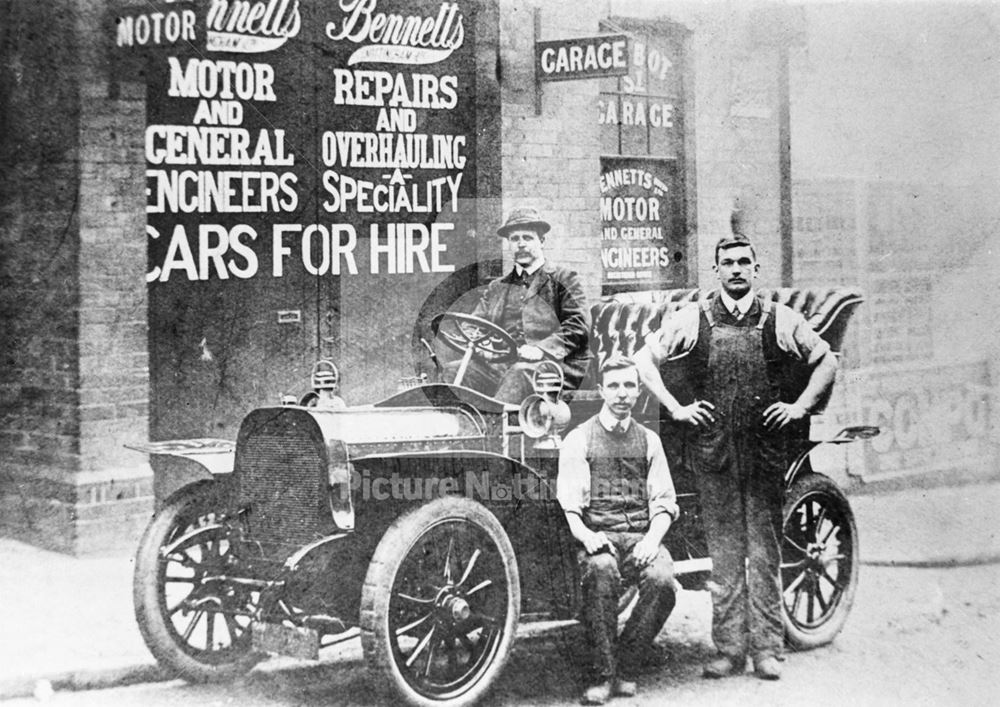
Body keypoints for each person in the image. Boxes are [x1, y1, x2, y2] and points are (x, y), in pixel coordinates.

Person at [632, 234, 839, 681]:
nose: (737, 269)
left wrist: (799, 407)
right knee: (724, 556)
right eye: (728, 262)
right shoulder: (694, 319)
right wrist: (675, 406)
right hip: (714, 454)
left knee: (764, 553)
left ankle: (767, 650)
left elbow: (827, 362)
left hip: (764, 454)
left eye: (745, 261)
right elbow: (643, 361)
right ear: (717, 269)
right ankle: (728, 650)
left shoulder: (781, 320)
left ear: (756, 269)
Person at [557, 355, 678, 705]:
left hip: (641, 535)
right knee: (600, 572)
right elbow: (571, 507)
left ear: (639, 391)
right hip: (600, 536)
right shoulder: (579, 439)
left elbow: (664, 502)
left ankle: (626, 665)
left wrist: (653, 540)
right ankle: (602, 675)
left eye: (629, 385)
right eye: (614, 386)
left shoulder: (650, 441)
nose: (622, 393)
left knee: (662, 580)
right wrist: (588, 536)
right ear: (601, 391)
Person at [458, 207, 590, 403]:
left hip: (553, 366)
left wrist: (542, 349)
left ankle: (498, 431)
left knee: (519, 373)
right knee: (455, 370)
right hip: (503, 365)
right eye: (514, 239)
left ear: (542, 241)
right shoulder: (497, 287)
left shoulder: (564, 279)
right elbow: (473, 324)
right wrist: (481, 344)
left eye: (527, 238)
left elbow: (579, 325)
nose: (520, 244)